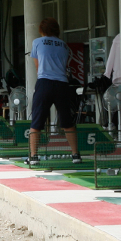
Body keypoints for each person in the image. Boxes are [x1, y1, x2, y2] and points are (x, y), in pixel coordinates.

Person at [26, 18, 81, 166]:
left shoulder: (37, 42)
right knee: (67, 121)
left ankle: (33, 156)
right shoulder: (64, 45)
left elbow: (38, 67)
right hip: (62, 84)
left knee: (37, 120)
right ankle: (75, 155)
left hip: (45, 82)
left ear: (42, 30)